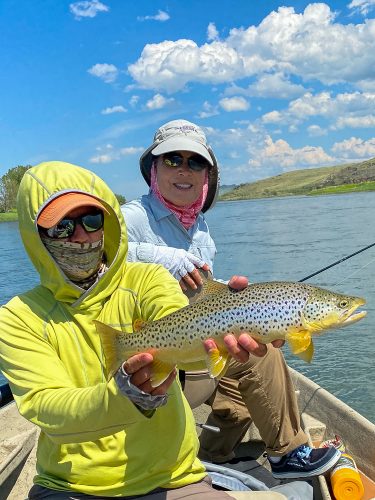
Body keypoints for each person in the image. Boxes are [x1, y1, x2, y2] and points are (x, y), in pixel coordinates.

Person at [0, 160, 269, 499]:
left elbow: (182, 341)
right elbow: (47, 407)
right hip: (71, 486)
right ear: (36, 237)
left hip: (172, 476)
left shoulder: (148, 279)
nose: (81, 235)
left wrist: (226, 323)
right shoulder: (17, 317)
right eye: (62, 228)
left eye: (91, 219)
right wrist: (123, 396)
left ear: (107, 223)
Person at [122, 119, 341, 479]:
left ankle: (212, 458)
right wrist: (159, 256)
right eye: (172, 160)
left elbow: (200, 292)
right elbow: (96, 256)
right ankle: (288, 454)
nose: (184, 170)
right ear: (154, 169)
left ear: (207, 174)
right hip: (149, 363)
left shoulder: (200, 230)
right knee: (263, 361)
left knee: (246, 378)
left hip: (193, 349)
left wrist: (228, 291)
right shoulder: (131, 217)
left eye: (195, 162)